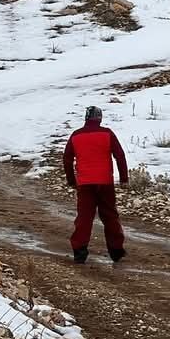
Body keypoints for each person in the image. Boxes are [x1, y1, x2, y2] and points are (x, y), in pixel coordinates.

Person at [63, 106, 129, 264]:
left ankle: (80, 251)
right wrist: (124, 178)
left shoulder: (76, 135)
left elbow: (67, 159)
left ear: (86, 118)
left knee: (84, 217)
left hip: (84, 183)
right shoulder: (107, 133)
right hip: (105, 182)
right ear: (99, 118)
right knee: (110, 215)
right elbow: (119, 155)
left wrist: (72, 180)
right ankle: (116, 251)